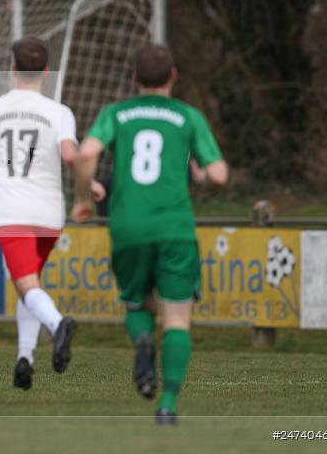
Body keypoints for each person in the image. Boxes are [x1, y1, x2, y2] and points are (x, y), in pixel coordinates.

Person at [71, 44, 228, 425]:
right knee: (176, 317)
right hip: (175, 228)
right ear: (173, 75)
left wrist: (82, 201)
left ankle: (143, 344)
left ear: (134, 78)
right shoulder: (189, 117)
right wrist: (202, 175)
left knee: (138, 304)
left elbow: (86, 154)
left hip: (129, 227)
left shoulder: (117, 113)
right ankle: (167, 405)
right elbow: (220, 174)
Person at [0, 36, 102, 390]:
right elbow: (73, 157)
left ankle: (59, 325)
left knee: (26, 284)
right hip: (49, 213)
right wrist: (91, 186)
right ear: (45, 70)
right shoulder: (59, 112)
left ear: (12, 69)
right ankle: (24, 361)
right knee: (29, 284)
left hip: (12, 211)